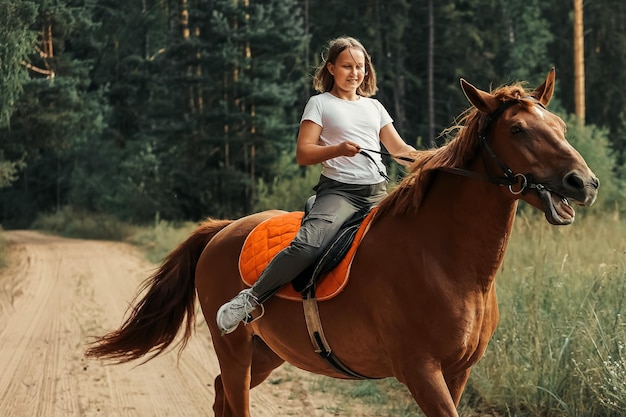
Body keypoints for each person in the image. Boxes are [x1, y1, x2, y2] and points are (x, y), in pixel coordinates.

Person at [217, 36, 417, 334]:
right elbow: (304, 153)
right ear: (332, 68)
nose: (354, 73)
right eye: (347, 66)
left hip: (377, 194)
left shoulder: (374, 107)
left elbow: (400, 151)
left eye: (360, 67)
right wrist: (337, 149)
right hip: (339, 193)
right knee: (308, 246)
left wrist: (437, 159)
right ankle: (250, 298)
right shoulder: (320, 104)